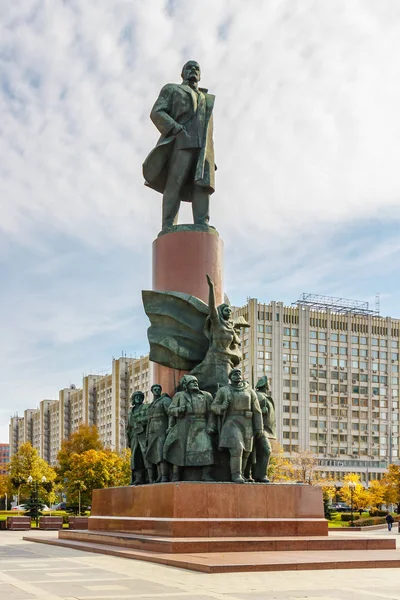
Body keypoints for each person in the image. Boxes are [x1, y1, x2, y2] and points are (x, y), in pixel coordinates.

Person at [143, 60, 216, 230]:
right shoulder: (172, 89)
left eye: (196, 68)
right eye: (189, 67)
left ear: (200, 74)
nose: (193, 70)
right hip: (181, 142)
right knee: (174, 183)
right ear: (182, 73)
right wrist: (175, 128)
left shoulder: (206, 98)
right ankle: (168, 224)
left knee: (202, 186)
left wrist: (211, 156)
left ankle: (202, 222)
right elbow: (157, 112)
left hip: (204, 148)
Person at [191, 274, 248, 394]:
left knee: (226, 386)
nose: (229, 312)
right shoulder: (217, 324)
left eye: (230, 311)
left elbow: (237, 343)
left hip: (226, 359)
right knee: (211, 384)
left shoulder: (230, 328)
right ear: (221, 312)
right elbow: (212, 308)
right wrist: (211, 287)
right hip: (213, 358)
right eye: (226, 310)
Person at [211, 369, 263, 483]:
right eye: (235, 374)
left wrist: (259, 427)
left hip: (247, 423)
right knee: (237, 448)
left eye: (239, 374)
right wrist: (222, 407)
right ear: (230, 377)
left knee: (247, 451)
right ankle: (236, 474)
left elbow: (257, 410)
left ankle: (243, 474)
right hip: (231, 422)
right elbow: (214, 406)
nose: (238, 376)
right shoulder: (224, 390)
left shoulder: (250, 391)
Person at [163, 375, 217, 482]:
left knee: (207, 448)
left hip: (201, 424)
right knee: (178, 450)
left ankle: (206, 474)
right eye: (191, 382)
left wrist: (211, 425)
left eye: (196, 382)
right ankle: (175, 475)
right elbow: (170, 410)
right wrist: (179, 410)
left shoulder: (206, 396)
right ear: (185, 385)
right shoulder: (179, 395)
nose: (195, 384)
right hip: (183, 425)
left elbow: (211, 413)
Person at [244, 375, 276, 483]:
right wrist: (261, 412)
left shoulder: (265, 397)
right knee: (265, 450)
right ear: (266, 385)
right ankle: (260, 475)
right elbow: (252, 410)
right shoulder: (258, 396)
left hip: (264, 429)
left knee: (253, 453)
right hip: (258, 428)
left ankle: (253, 474)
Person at [145, 384, 171, 483]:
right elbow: (149, 421)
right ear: (152, 391)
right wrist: (147, 435)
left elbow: (170, 414)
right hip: (152, 431)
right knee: (155, 454)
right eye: (154, 389)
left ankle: (164, 476)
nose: (156, 391)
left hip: (161, 429)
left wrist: (170, 427)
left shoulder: (165, 400)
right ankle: (159, 476)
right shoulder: (151, 404)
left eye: (158, 389)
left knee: (161, 453)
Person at [126, 391, 149, 485]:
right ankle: (138, 478)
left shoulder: (146, 407)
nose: (138, 398)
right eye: (136, 396)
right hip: (134, 435)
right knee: (135, 458)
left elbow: (149, 418)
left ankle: (149, 477)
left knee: (146, 456)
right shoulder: (130, 411)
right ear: (133, 399)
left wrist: (140, 421)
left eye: (140, 397)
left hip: (144, 435)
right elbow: (128, 426)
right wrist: (128, 439)